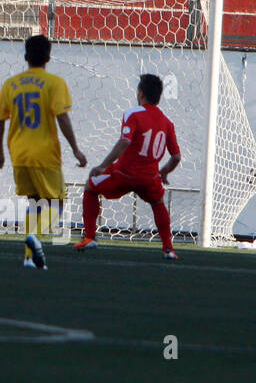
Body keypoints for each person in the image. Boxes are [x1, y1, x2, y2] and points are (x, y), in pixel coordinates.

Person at [0, 34, 87, 270]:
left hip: (18, 153)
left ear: (25, 57)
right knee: (57, 204)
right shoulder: (55, 83)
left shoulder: (11, 84)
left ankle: (29, 258)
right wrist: (75, 149)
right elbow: (62, 117)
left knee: (34, 204)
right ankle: (35, 239)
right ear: (49, 58)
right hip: (45, 154)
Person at [76, 74, 181, 260]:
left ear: (141, 94)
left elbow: (125, 141)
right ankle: (168, 249)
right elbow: (176, 157)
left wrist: (102, 166)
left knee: (90, 186)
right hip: (150, 179)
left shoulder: (133, 114)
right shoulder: (168, 123)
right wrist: (163, 173)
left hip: (124, 174)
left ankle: (90, 237)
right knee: (158, 204)